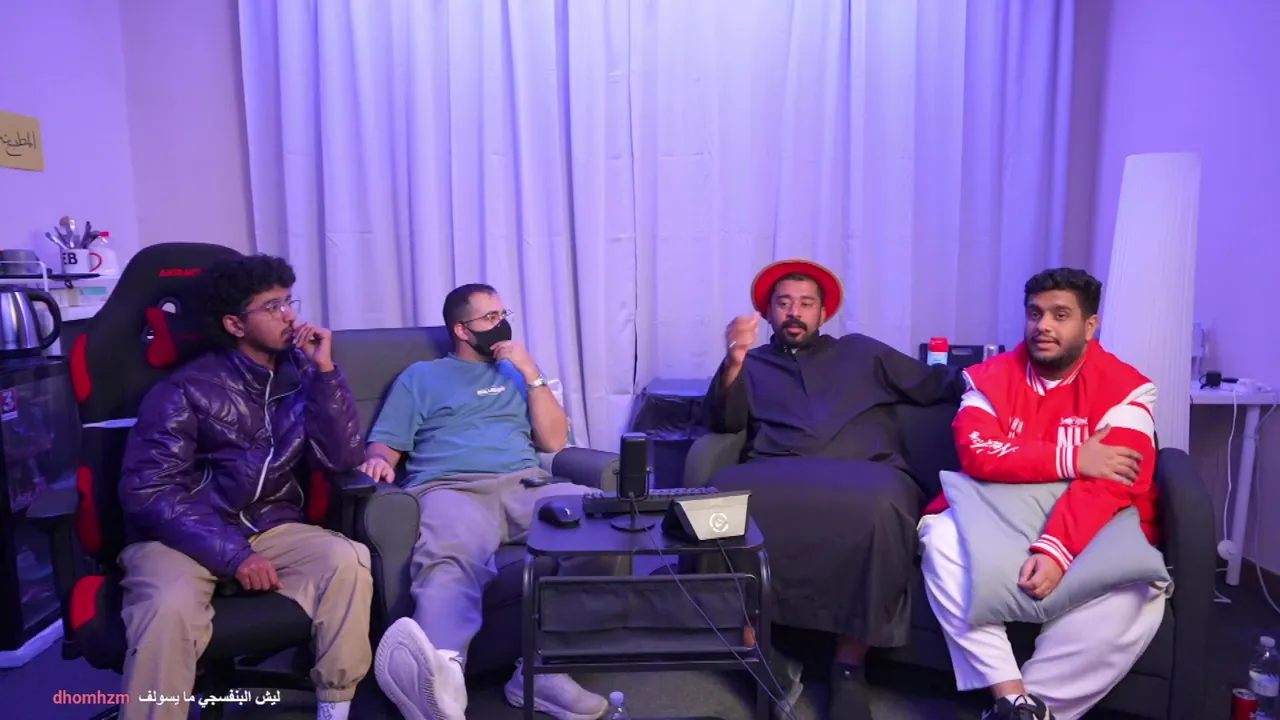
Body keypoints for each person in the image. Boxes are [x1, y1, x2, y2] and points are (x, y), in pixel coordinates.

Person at [703, 258, 966, 720]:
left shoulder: (863, 352)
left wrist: (1015, 379)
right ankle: (758, 646)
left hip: (868, 473)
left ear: (823, 313)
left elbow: (939, 384)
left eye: (806, 304)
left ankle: (849, 665)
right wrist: (735, 359)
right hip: (776, 470)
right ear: (768, 313)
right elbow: (723, 421)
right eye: (784, 303)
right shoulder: (751, 363)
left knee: (880, 507)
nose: (795, 312)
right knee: (717, 501)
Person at [117, 254, 372, 720]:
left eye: (289, 302)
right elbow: (150, 492)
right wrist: (234, 556)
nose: (289, 316)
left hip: (270, 526)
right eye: (272, 306)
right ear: (235, 324)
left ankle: (335, 709)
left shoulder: (303, 377)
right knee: (167, 606)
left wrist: (325, 374)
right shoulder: (183, 390)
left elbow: (342, 459)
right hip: (181, 535)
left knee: (348, 559)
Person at [918, 268, 1166, 720]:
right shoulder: (987, 378)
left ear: (1090, 325)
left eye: (1060, 315)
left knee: (1137, 595)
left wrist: (1056, 549)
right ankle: (1010, 696)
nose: (1043, 326)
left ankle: (1034, 709)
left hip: (1092, 524)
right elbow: (978, 453)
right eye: (1035, 314)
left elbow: (1115, 480)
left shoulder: (1129, 389)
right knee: (939, 538)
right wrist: (1075, 458)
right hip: (996, 512)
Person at [364, 283, 611, 720]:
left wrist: (531, 372)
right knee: (451, 553)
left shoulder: (517, 374)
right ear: (462, 329)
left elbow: (554, 441)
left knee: (603, 520)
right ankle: (439, 682)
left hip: (525, 484)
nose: (502, 324)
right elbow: (386, 444)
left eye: (503, 314)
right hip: (452, 488)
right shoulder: (421, 377)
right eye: (490, 317)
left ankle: (543, 671)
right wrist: (379, 462)